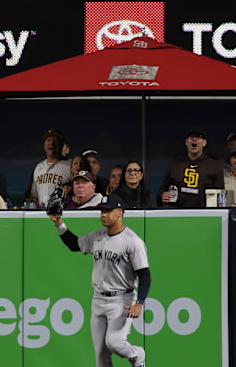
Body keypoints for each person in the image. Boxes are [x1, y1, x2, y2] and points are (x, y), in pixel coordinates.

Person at [47, 194, 149, 367]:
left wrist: (139, 303)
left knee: (115, 342)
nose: (103, 214)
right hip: (98, 299)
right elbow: (74, 244)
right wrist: (59, 223)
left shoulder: (133, 241)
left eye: (108, 210)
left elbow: (145, 275)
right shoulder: (97, 236)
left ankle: (137, 354)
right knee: (101, 356)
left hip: (122, 300)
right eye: (102, 210)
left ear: (120, 213)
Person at [158, 128, 224, 208]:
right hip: (177, 213)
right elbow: (163, 188)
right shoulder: (175, 163)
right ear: (186, 142)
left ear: (204, 143)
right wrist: (163, 195)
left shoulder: (214, 165)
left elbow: (221, 194)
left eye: (198, 137)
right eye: (191, 137)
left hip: (204, 214)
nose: (194, 139)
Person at [30, 129, 73, 208]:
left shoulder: (71, 166)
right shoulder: (39, 167)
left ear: (61, 145)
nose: (51, 143)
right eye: (48, 140)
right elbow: (34, 195)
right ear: (44, 145)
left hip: (62, 213)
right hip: (41, 214)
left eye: (55, 140)